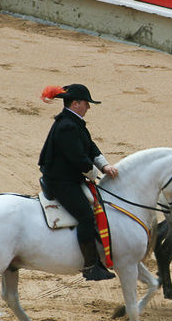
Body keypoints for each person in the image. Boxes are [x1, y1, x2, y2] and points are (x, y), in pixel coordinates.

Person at [38, 84, 119, 281]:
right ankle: (91, 266)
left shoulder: (73, 121)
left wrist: (105, 166)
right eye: (86, 103)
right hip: (62, 182)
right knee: (85, 216)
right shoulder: (67, 126)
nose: (88, 107)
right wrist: (95, 175)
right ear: (75, 104)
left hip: (69, 178)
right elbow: (79, 159)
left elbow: (90, 147)